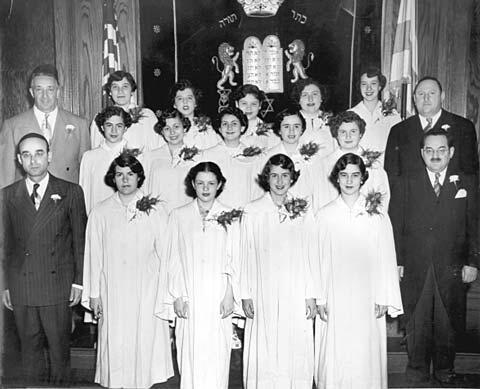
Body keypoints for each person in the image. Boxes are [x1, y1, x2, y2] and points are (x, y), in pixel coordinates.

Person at [389, 128, 479, 384]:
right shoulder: (407, 181)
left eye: (441, 150)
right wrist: (397, 261)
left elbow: (474, 224)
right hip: (416, 264)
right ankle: (416, 369)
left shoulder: (467, 182)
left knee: (446, 319)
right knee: (416, 318)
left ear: (451, 152)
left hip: (452, 265)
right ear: (421, 153)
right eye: (429, 150)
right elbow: (396, 224)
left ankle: (444, 369)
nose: (435, 155)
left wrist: (473, 262)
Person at [81, 152, 174, 388]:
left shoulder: (155, 209)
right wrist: (94, 294)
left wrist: (167, 293)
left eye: (130, 174)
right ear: (113, 178)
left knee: (144, 339)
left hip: (146, 288)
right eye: (119, 174)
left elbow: (167, 254)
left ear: (139, 177)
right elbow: (93, 255)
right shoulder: (100, 211)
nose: (125, 179)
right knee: (116, 340)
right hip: (112, 288)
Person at [1, 133, 87, 385]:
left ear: (49, 156)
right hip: (21, 285)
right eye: (26, 155)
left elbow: (80, 242)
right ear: (19, 159)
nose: (33, 160)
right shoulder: (7, 195)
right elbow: (3, 246)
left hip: (57, 285)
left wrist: (78, 282)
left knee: (60, 354)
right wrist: (4, 284)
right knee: (29, 353)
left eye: (39, 153)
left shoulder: (70, 191)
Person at [314, 153, 403, 389]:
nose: (349, 180)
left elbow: (386, 256)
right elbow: (317, 259)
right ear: (337, 179)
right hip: (335, 294)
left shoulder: (376, 215)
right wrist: (320, 297)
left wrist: (384, 295)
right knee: (336, 352)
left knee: (365, 353)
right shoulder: (324, 215)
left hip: (368, 295)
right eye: (344, 175)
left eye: (355, 175)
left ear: (363, 178)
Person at [240, 154, 317, 388]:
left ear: (292, 178)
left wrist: (311, 293)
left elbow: (311, 252)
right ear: (267, 178)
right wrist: (245, 293)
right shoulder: (253, 210)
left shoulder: (302, 209)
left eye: (285, 175)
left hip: (295, 289)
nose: (280, 181)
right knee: (264, 347)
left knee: (294, 346)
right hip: (263, 290)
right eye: (274, 175)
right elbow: (245, 253)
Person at [159, 162, 238, 388]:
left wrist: (229, 294)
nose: (205, 188)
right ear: (193, 184)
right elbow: (172, 259)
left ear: (220, 184)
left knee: (217, 355)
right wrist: (177, 296)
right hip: (189, 294)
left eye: (211, 183)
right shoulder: (179, 215)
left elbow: (235, 259)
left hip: (218, 296)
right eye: (201, 183)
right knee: (189, 354)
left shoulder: (231, 215)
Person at [0, 64, 90, 188]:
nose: (45, 96)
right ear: (32, 92)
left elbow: (87, 174)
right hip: (27, 201)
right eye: (39, 89)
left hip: (66, 201)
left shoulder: (80, 125)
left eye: (50, 89)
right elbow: (5, 177)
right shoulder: (12, 126)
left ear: (58, 92)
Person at [384, 76, 478, 186]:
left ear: (442, 96)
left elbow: (471, 174)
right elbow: (391, 176)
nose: (426, 98)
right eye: (421, 94)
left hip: (451, 199)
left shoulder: (463, 127)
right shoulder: (398, 131)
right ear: (414, 98)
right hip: (411, 200)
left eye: (432, 93)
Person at [314, 111, 390, 213]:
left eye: (353, 131)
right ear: (336, 134)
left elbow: (382, 196)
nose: (348, 136)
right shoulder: (325, 164)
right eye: (343, 132)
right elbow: (319, 199)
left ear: (361, 134)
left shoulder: (374, 165)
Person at [143, 108, 202, 214]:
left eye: (176, 127)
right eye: (167, 128)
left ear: (184, 128)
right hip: (158, 216)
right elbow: (144, 188)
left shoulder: (197, 156)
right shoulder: (151, 157)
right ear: (162, 131)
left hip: (186, 215)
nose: (172, 132)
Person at [203, 106, 263, 208]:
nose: (229, 128)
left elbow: (257, 189)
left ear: (242, 128)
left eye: (234, 124)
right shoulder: (208, 155)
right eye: (225, 124)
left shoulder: (254, 157)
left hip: (246, 212)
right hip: (217, 213)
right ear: (220, 129)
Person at [90, 70, 164, 151]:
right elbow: (96, 151)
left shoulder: (147, 115)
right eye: (115, 87)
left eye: (125, 87)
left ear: (132, 90)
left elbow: (158, 148)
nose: (120, 91)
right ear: (110, 92)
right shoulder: (100, 118)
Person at [79, 106, 133, 214]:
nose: (114, 130)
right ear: (102, 127)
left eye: (119, 126)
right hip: (97, 217)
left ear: (125, 128)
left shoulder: (135, 156)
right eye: (109, 125)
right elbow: (84, 193)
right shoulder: (89, 157)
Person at [260, 107, 316, 201]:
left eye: (296, 126)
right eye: (286, 126)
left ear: (302, 129)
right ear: (279, 130)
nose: (291, 131)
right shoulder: (268, 156)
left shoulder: (313, 156)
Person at [349, 67, 401, 166]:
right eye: (364, 84)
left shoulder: (392, 115)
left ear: (380, 86)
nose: (368, 88)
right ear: (359, 86)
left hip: (384, 170)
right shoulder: (350, 114)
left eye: (373, 84)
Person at [170, 79, 222, 150]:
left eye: (189, 98)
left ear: (195, 103)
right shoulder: (170, 128)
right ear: (174, 104)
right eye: (180, 99)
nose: (185, 102)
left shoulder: (206, 128)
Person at [290, 77, 335, 158]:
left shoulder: (332, 121)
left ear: (321, 98)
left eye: (315, 94)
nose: (310, 99)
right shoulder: (290, 121)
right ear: (298, 99)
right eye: (305, 95)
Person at [230, 84, 279, 149]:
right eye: (244, 103)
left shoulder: (270, 132)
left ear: (260, 105)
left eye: (253, 104)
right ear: (237, 104)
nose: (249, 108)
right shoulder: (228, 129)